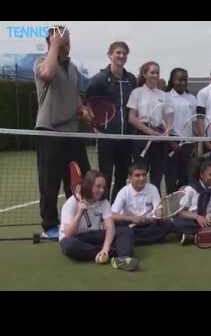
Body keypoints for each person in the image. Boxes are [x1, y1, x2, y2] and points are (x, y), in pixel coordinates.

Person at [33, 25, 90, 238]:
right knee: (49, 182)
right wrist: (55, 45)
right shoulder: (41, 63)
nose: (66, 44)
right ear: (51, 42)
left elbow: (75, 97)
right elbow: (47, 74)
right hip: (49, 131)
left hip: (73, 133)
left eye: (68, 40)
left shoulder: (73, 68)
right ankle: (50, 227)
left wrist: (82, 109)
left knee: (79, 180)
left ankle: (76, 221)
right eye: (61, 40)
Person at [86, 41, 137, 202]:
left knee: (122, 176)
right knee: (105, 177)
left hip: (126, 138)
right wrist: (94, 128)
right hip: (106, 139)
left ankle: (116, 209)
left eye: (124, 53)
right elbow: (88, 106)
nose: (121, 56)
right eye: (118, 53)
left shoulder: (131, 80)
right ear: (110, 55)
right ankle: (104, 210)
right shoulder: (98, 80)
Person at [59, 170, 139, 272]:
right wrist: (79, 213)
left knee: (125, 231)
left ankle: (121, 258)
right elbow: (69, 234)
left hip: (95, 234)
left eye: (103, 187)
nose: (101, 190)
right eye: (98, 186)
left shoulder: (104, 202)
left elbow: (110, 227)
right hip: (76, 238)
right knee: (69, 245)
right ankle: (112, 253)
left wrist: (105, 248)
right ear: (89, 185)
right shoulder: (70, 204)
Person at [173, 158, 211, 245]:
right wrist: (197, 217)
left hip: (209, 220)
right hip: (193, 219)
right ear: (201, 175)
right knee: (179, 223)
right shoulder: (191, 189)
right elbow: (180, 213)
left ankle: (193, 236)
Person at [127, 61, 168, 192]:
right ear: (144, 74)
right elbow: (132, 118)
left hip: (159, 140)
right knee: (140, 175)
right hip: (142, 139)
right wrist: (149, 132)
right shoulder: (136, 93)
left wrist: (166, 132)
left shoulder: (163, 95)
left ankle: (156, 208)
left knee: (157, 177)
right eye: (152, 72)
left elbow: (168, 117)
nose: (155, 75)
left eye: (157, 72)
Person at [111, 162, 175, 244]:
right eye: (137, 175)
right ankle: (151, 238)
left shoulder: (153, 188)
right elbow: (112, 215)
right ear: (130, 177)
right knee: (119, 227)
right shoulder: (123, 192)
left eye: (144, 175)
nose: (142, 178)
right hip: (130, 224)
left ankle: (133, 239)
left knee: (168, 224)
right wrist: (132, 219)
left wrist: (154, 217)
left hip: (148, 224)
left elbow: (158, 211)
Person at [164, 68, 198, 193]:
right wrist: (171, 142)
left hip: (188, 145)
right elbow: (163, 123)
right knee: (171, 181)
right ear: (172, 80)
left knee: (187, 182)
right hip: (171, 145)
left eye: (185, 80)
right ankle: (170, 210)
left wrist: (195, 142)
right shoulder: (165, 96)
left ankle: (184, 210)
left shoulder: (192, 98)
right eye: (180, 79)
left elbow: (194, 123)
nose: (183, 82)